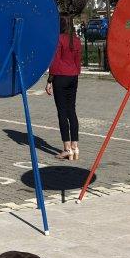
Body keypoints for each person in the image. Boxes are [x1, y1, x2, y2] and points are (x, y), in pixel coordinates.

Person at [45, 17, 82, 160]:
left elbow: (54, 62)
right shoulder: (77, 40)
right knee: (71, 110)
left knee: (62, 112)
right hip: (73, 76)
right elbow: (78, 61)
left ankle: (67, 149)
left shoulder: (59, 39)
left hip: (60, 76)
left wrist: (49, 80)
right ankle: (75, 147)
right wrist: (75, 72)